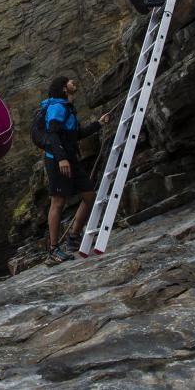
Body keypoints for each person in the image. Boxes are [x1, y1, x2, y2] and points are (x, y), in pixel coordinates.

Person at [39, 76, 109, 265]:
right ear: (64, 88)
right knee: (58, 202)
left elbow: (76, 135)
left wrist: (98, 124)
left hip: (71, 160)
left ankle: (73, 237)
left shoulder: (68, 108)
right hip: (57, 161)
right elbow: (52, 134)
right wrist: (61, 158)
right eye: (70, 82)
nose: (73, 83)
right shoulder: (57, 107)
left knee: (89, 195)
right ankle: (53, 250)